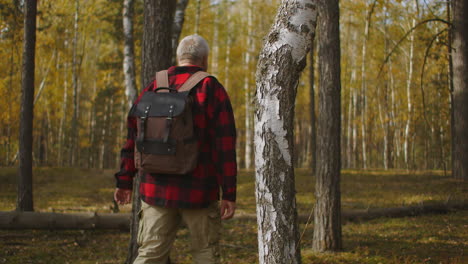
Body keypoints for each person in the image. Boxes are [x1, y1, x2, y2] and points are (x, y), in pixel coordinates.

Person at [114, 34, 237, 264]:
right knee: (205, 254)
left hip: (155, 188)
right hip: (199, 189)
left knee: (150, 254)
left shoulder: (155, 84)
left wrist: (124, 180)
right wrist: (229, 193)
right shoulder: (211, 87)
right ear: (205, 59)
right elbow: (225, 144)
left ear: (180, 57)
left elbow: (134, 134)